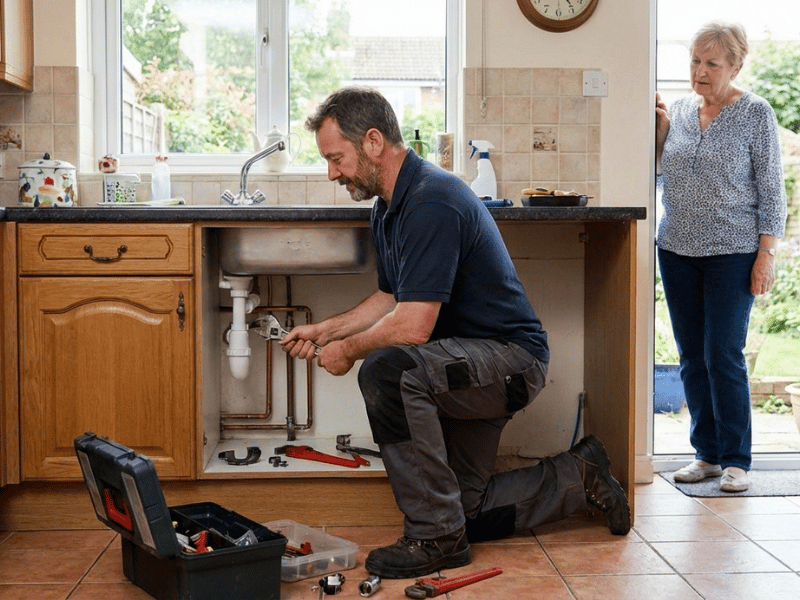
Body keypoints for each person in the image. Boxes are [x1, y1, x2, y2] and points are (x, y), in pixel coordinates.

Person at [281, 86, 630, 579]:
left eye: (336, 159)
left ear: (373, 142)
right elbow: (392, 298)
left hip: (509, 362)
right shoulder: (388, 206)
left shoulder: (432, 199)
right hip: (464, 365)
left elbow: (413, 325)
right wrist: (326, 330)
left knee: (386, 373)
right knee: (466, 512)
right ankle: (581, 473)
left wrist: (348, 351)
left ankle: (434, 538)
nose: (332, 173)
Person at [655, 22, 786, 493]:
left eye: (712, 63)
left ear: (736, 66)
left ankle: (736, 460)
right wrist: (658, 134)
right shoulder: (680, 111)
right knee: (691, 356)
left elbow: (772, 189)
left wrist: (766, 254)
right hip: (677, 249)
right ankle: (706, 454)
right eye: (695, 60)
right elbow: (660, 174)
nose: (700, 71)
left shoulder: (755, 113)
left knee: (723, 354)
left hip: (733, 251)